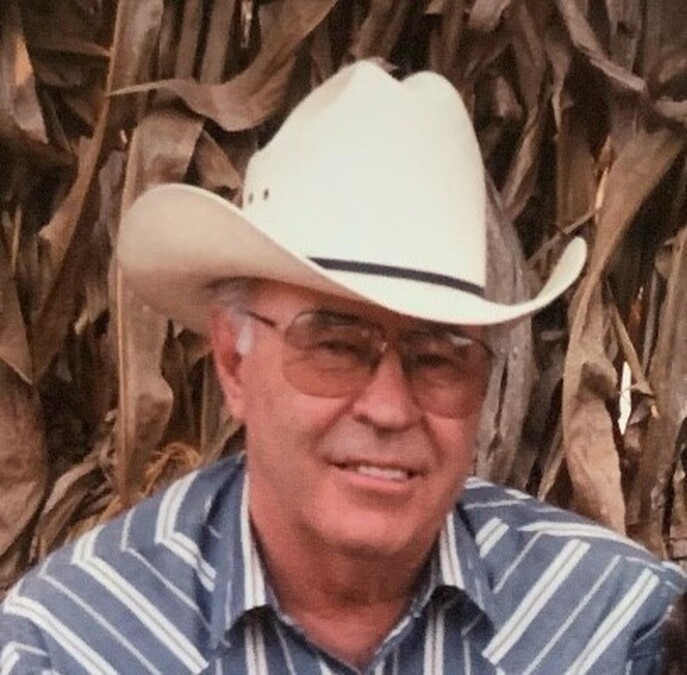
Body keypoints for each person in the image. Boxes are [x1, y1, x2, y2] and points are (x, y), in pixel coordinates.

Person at [0, 60, 684, 674]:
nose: (388, 408)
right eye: (334, 347)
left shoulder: (618, 627)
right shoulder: (74, 645)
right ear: (234, 362)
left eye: (437, 357)